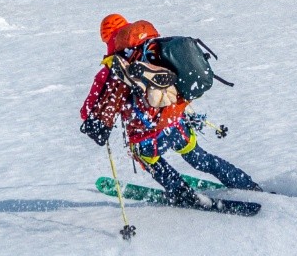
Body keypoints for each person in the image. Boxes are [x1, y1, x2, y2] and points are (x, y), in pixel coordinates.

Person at [80, 13, 259, 206]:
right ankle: (245, 184)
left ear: (107, 40)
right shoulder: (153, 47)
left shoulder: (112, 69)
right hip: (175, 120)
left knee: (148, 158)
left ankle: (182, 193)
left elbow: (88, 111)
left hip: (147, 133)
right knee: (199, 158)